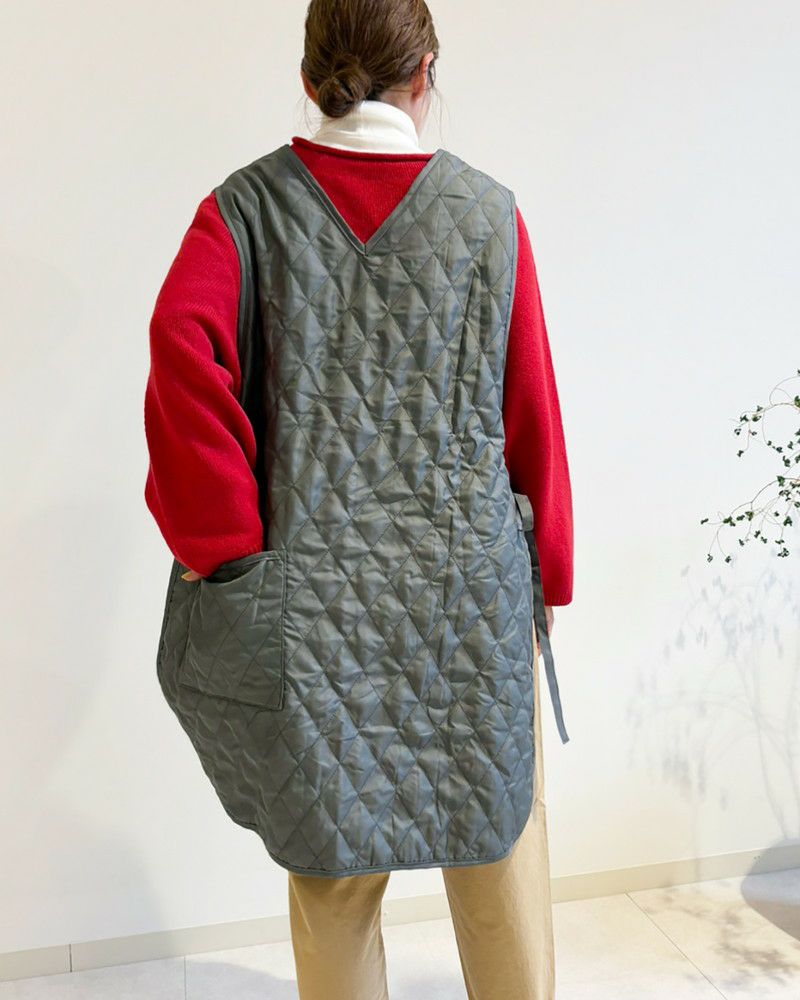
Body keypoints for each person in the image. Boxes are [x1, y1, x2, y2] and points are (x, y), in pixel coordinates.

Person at [143, 1, 574, 997]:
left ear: (310, 80)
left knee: (332, 865)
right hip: (468, 601)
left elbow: (180, 350)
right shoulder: (488, 214)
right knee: (497, 840)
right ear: (425, 72)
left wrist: (228, 550)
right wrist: (548, 572)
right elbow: (531, 414)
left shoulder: (242, 212)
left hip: (312, 607)